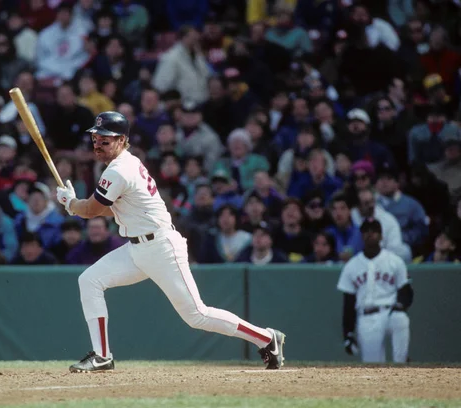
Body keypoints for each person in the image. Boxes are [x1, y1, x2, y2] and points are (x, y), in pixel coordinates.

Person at [55, 111, 285, 372]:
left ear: (122, 140)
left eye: (105, 140)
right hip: (137, 248)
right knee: (89, 280)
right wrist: (76, 205)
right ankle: (102, 355)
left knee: (197, 315)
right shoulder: (125, 163)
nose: (98, 144)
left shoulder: (119, 170)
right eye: (95, 139)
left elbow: (93, 209)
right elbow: (112, 207)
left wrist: (72, 204)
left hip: (161, 248)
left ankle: (267, 338)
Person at [337, 218, 413, 363]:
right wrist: (348, 334)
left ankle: (401, 361)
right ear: (361, 235)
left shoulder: (395, 261)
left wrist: (402, 305)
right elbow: (348, 303)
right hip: (366, 317)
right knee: (373, 365)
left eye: (374, 231)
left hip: (390, 312)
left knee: (401, 319)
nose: (370, 234)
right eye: (366, 231)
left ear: (381, 235)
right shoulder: (352, 266)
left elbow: (406, 291)